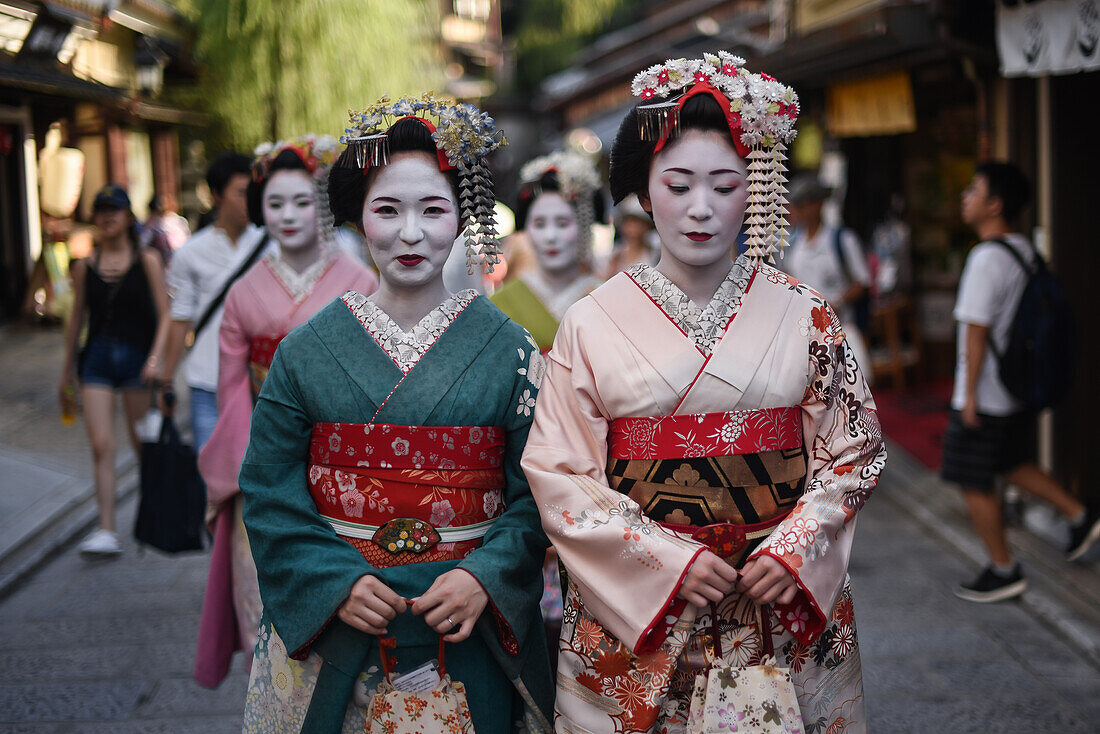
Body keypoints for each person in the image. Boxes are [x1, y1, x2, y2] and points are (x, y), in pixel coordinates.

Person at [522, 52, 885, 733]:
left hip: (774, 591)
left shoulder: (806, 312)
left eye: (725, 185)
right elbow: (559, 470)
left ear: (755, 189)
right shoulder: (590, 321)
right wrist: (666, 560)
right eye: (679, 183)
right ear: (642, 189)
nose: (701, 209)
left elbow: (855, 449)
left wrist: (796, 544)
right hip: (641, 613)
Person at [238, 96, 553, 733]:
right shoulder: (306, 351)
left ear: (463, 219)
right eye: (387, 210)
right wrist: (333, 583)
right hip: (344, 611)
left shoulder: (511, 349)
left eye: (434, 210)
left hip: (463, 611)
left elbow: (539, 490)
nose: (411, 233)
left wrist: (487, 576)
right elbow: (269, 488)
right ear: (358, 217)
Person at [193, 136, 378, 688]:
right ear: (259, 210)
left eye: (301, 202)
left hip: (342, 457)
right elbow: (232, 390)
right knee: (262, 593)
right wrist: (251, 463)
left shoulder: (360, 281)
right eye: (275, 204)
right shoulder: (243, 292)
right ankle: (270, 697)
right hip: (263, 456)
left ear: (322, 204)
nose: (288, 216)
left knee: (350, 588)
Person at [942, 161, 1100, 603]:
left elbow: (976, 330)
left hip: (987, 393)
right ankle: (1081, 514)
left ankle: (1003, 567)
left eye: (974, 190)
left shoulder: (985, 256)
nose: (965, 197)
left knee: (971, 478)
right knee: (1011, 463)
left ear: (995, 204)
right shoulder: (1024, 252)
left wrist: (968, 396)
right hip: (1014, 392)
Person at [59, 184, 171, 558]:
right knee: (100, 446)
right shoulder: (84, 266)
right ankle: (106, 529)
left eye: (115, 209)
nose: (107, 216)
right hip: (97, 361)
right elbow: (76, 322)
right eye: (101, 210)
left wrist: (157, 358)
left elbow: (165, 314)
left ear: (127, 216)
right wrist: (65, 373)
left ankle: (153, 518)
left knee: (142, 446)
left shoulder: (148, 260)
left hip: (139, 361)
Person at [161, 152, 269, 451]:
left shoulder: (271, 246)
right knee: (212, 478)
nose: (249, 199)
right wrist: (166, 379)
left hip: (260, 382)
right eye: (239, 193)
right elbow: (180, 316)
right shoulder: (191, 253)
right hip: (206, 381)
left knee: (254, 476)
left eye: (252, 192)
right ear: (216, 196)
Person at [492, 151, 605, 352]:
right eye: (539, 224)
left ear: (584, 226)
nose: (550, 236)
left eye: (562, 224)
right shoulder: (501, 303)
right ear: (526, 229)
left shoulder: (606, 299)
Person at [782, 172, 873, 378]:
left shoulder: (842, 239)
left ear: (817, 205)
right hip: (803, 332)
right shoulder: (793, 244)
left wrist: (838, 302)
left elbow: (862, 281)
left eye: (802, 204)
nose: (796, 211)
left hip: (841, 328)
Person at [603, 194, 657, 277]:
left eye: (637, 223)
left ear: (647, 226)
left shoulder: (655, 254)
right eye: (628, 222)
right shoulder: (616, 255)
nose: (632, 228)